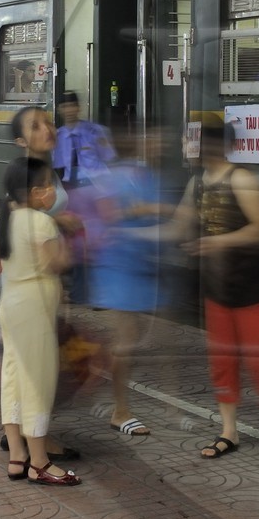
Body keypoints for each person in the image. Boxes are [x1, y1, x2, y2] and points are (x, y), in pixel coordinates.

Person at [168, 120, 259, 468]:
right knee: (222, 363)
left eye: (191, 140)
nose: (186, 145)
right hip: (217, 290)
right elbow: (177, 225)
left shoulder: (240, 179)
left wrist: (218, 241)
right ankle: (229, 431)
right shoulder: (196, 182)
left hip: (253, 290)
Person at [0, 156, 78, 486]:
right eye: (49, 186)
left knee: (12, 377)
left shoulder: (3, 222)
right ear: (36, 192)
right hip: (35, 307)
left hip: (11, 304)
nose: (53, 192)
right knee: (37, 381)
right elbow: (58, 264)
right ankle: (39, 461)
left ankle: (16, 457)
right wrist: (67, 237)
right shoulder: (42, 223)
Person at [89, 130, 165, 435]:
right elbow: (111, 217)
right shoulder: (116, 177)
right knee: (126, 341)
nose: (162, 145)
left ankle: (103, 385)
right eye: (156, 139)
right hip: (118, 267)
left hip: (137, 267)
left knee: (133, 340)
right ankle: (120, 411)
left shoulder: (146, 176)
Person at [53, 90, 114, 189]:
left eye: (72, 105)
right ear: (58, 110)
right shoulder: (57, 136)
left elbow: (108, 158)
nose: (69, 110)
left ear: (78, 108)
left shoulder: (95, 131)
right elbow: (57, 165)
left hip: (97, 183)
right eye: (64, 106)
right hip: (71, 185)